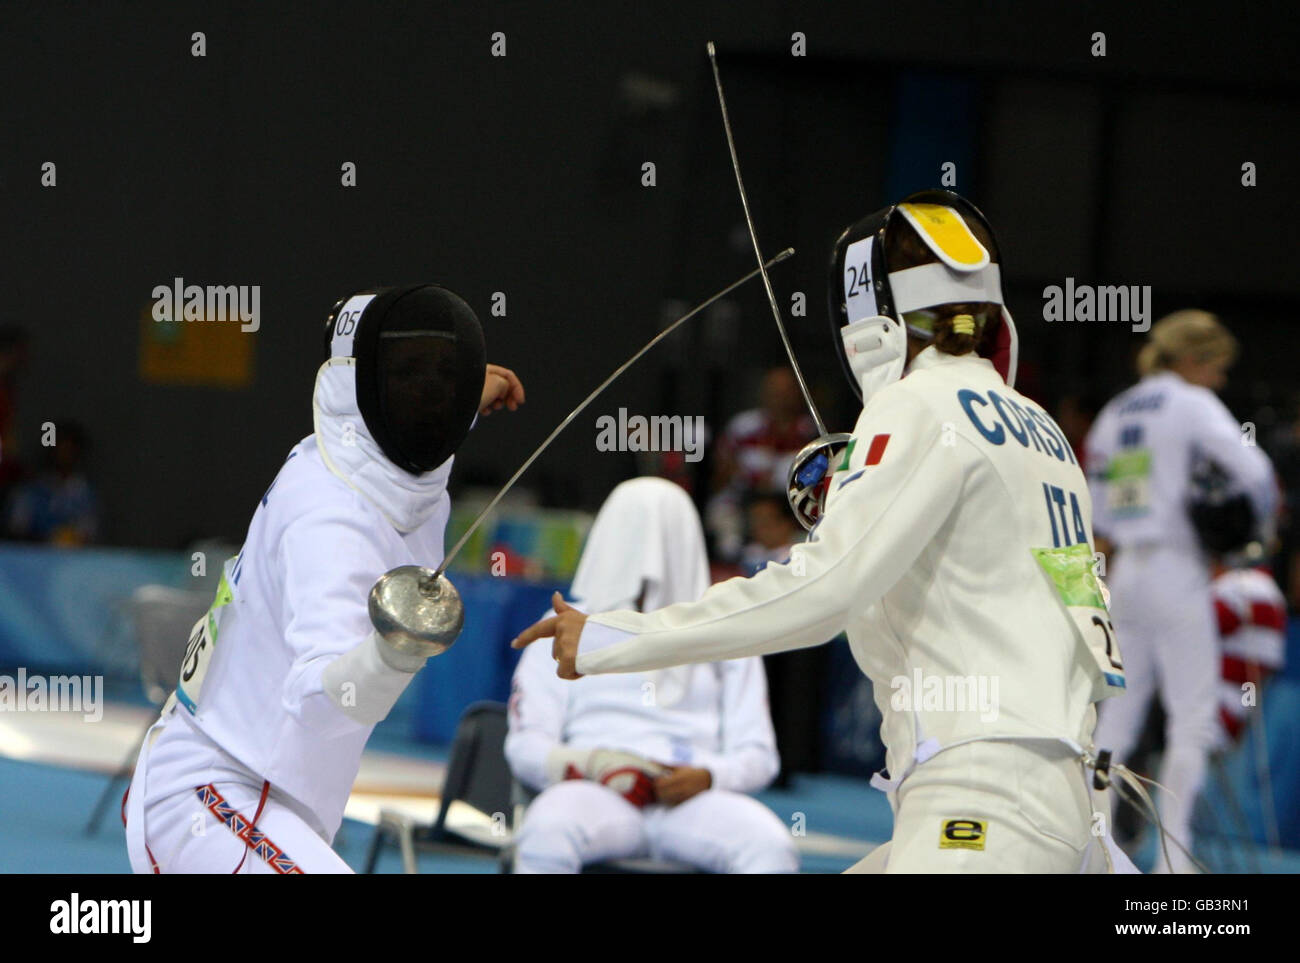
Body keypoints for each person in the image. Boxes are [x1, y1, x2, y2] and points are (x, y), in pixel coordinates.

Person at [516, 190, 1136, 873]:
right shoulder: (1042, 429)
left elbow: (822, 592)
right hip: (1061, 789)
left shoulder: (916, 405)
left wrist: (610, 635)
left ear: (871, 320)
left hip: (984, 797)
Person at [124, 285, 524, 873]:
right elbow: (319, 701)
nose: (434, 389)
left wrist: (466, 392)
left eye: (448, 373)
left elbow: (415, 423)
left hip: (278, 801)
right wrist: (395, 652)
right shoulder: (329, 516)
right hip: (213, 794)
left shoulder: (377, 462)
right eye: (410, 372)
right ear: (357, 383)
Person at [506, 477, 796, 873]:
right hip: (594, 790)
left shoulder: (724, 629)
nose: (649, 564)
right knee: (546, 833)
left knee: (770, 847)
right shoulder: (566, 628)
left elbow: (759, 755)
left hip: (693, 800)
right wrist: (598, 765)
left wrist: (710, 776)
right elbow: (525, 745)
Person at [1085, 310, 1276, 872]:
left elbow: (1092, 504)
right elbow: (1255, 472)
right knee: (1193, 718)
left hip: (1124, 574)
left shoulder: (1115, 411)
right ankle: (1175, 857)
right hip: (1177, 569)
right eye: (1216, 369)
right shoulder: (1190, 404)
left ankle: (1092, 846)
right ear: (1194, 360)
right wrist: (1251, 537)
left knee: (1114, 720)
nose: (1219, 382)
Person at [706, 367, 818, 561]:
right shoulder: (743, 426)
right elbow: (720, 475)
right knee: (722, 515)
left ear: (797, 393)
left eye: (786, 392)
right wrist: (740, 474)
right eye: (774, 391)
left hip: (787, 508)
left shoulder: (809, 431)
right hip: (742, 499)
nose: (779, 397)